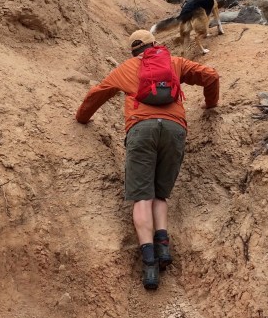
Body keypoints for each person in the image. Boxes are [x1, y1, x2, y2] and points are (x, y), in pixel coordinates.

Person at [75, 29, 220, 290]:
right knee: (160, 195)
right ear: (156, 45)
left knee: (142, 197)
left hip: (141, 129)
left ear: (133, 51)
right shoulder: (174, 62)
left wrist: (82, 117)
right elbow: (210, 76)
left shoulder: (126, 68)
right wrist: (210, 103)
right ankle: (163, 247)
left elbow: (97, 94)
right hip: (175, 129)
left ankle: (150, 264)